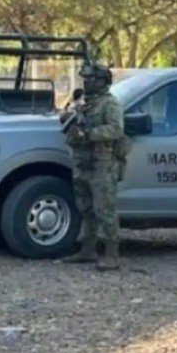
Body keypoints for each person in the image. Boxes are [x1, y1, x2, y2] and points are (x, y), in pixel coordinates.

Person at [59, 63, 125, 271]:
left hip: (102, 164)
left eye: (91, 79)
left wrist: (88, 134)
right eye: (85, 79)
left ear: (102, 81)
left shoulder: (109, 104)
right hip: (83, 162)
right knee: (85, 208)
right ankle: (88, 250)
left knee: (104, 209)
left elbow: (116, 129)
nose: (86, 82)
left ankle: (112, 254)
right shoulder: (82, 102)